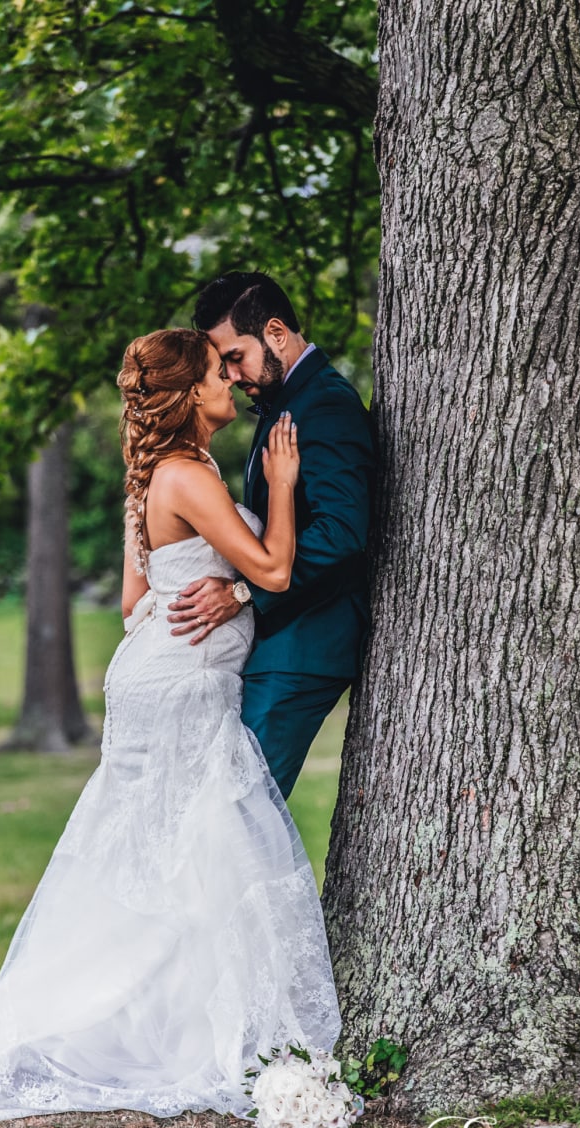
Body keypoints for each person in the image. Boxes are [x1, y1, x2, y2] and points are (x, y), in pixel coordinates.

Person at [0, 328, 341, 1126]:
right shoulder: (184, 473)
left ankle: (151, 1020)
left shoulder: (159, 475)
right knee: (213, 846)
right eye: (220, 372)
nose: (232, 382)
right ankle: (185, 1031)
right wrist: (281, 485)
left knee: (160, 855)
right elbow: (277, 569)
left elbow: (129, 604)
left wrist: (210, 592)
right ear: (186, 395)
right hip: (184, 691)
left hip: (155, 678)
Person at [168, 272, 376, 803]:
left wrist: (241, 593)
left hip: (306, 645)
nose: (232, 376)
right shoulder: (288, 400)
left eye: (235, 357)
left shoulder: (323, 404)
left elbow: (342, 532)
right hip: (278, 638)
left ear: (276, 332)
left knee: (239, 810)